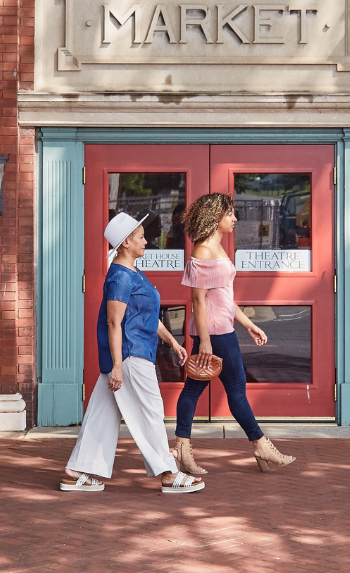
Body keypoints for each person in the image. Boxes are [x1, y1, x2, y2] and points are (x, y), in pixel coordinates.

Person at [61, 211, 204, 494]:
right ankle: (168, 472)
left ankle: (74, 472)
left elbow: (147, 317)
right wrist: (116, 365)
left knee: (101, 413)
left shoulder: (132, 273)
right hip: (130, 356)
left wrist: (173, 342)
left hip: (129, 353)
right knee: (151, 411)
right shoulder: (121, 278)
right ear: (125, 242)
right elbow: (114, 322)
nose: (146, 241)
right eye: (140, 237)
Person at [173, 193, 295, 475]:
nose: (235, 219)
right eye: (230, 214)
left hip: (221, 329)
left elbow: (224, 298)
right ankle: (260, 445)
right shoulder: (203, 251)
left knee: (197, 388)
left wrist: (248, 324)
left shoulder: (217, 248)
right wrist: (204, 341)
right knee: (234, 389)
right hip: (214, 334)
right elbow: (198, 301)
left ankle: (183, 448)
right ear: (216, 217)